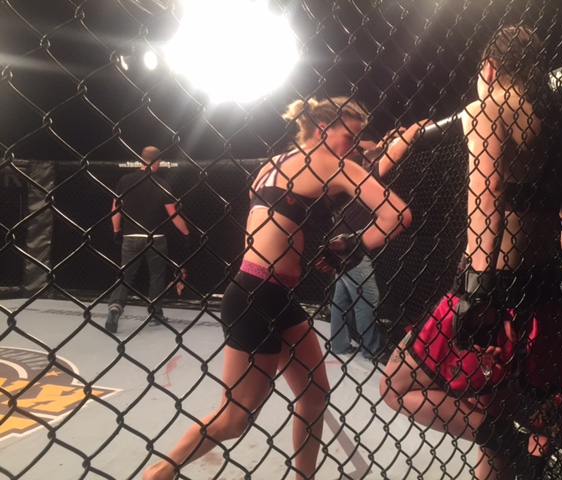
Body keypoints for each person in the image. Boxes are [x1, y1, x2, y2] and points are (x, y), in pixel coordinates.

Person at [143, 96, 412, 480]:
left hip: (270, 293)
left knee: (315, 396)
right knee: (235, 418)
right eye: (350, 136)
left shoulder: (274, 163)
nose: (354, 146)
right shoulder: (332, 164)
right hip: (259, 295)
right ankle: (159, 473)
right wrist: (354, 247)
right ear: (323, 129)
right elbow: (397, 213)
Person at [380, 24, 562, 480]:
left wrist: (478, 293)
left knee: (395, 384)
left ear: (490, 68)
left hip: (494, 287)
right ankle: (508, 443)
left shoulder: (488, 107)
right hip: (544, 290)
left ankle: (507, 440)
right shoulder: (551, 121)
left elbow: (488, 196)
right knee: (492, 403)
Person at [329, 121, 430, 362]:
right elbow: (391, 156)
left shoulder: (345, 178)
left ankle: (339, 344)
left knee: (342, 298)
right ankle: (372, 350)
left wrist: (388, 138)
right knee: (368, 297)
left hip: (338, 243)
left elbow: (376, 148)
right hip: (350, 248)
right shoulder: (363, 180)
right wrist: (415, 127)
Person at [105, 146, 190, 333]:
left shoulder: (125, 180)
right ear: (157, 161)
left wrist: (116, 230)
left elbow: (115, 209)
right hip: (156, 238)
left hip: (131, 237)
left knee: (125, 276)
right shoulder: (162, 184)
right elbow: (173, 214)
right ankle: (155, 313)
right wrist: (186, 233)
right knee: (156, 277)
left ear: (141, 160)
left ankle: (115, 308)